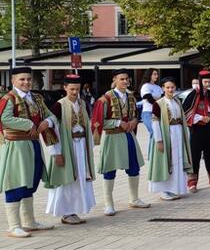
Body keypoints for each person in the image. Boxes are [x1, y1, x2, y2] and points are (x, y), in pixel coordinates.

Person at [1, 65, 60, 237]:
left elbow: (51, 115)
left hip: (34, 144)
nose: (26, 82)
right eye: (22, 79)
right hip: (16, 146)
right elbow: (4, 119)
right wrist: (30, 124)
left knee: (31, 181)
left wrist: (46, 123)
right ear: (13, 81)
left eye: (28, 79)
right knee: (16, 182)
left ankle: (28, 222)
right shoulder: (9, 98)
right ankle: (13, 226)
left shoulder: (36, 98)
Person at [44, 74, 95, 226]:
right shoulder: (59, 105)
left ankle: (75, 209)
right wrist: (56, 153)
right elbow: (50, 128)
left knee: (79, 178)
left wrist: (89, 148)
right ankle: (66, 212)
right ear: (65, 88)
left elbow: (87, 125)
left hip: (81, 147)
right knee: (67, 180)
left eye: (77, 89)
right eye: (72, 89)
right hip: (66, 147)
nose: (74, 92)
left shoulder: (83, 104)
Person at [95, 68, 148, 215]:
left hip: (128, 136)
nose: (125, 81)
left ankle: (134, 198)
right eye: (122, 79)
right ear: (114, 80)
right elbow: (98, 122)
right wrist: (118, 123)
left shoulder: (131, 97)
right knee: (109, 170)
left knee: (134, 167)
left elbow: (136, 115)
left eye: (127, 79)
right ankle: (108, 204)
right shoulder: (105, 98)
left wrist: (135, 121)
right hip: (112, 137)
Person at [148, 78, 192, 201]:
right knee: (167, 161)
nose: (170, 89)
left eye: (172, 87)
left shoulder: (178, 101)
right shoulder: (158, 104)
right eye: (167, 87)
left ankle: (174, 188)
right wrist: (159, 140)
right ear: (163, 88)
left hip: (177, 133)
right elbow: (155, 123)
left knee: (177, 160)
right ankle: (164, 190)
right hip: (166, 135)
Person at [139, 68, 163, 156]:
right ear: (149, 75)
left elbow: (163, 99)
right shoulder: (146, 86)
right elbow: (149, 98)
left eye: (157, 74)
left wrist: (156, 99)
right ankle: (151, 155)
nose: (156, 76)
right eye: (154, 74)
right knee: (154, 132)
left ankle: (157, 154)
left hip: (158, 113)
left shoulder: (158, 87)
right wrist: (157, 100)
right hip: (148, 112)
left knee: (159, 133)